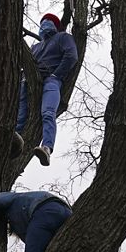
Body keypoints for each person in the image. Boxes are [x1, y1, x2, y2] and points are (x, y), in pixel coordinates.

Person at [16, 12, 78, 166]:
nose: (45, 24)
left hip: (51, 80)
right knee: (20, 115)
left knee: (48, 112)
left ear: (56, 26)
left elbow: (71, 56)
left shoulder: (63, 37)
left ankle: (47, 147)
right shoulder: (35, 47)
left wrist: (57, 74)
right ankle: (14, 142)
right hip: (28, 82)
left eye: (49, 22)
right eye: (43, 22)